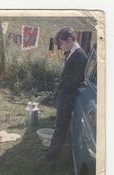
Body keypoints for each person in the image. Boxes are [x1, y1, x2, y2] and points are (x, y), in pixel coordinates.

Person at [42, 27, 87, 160]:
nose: (61, 47)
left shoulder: (79, 55)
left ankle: (52, 154)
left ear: (69, 40)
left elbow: (76, 80)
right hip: (65, 94)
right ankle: (52, 149)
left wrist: (61, 89)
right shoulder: (72, 52)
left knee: (61, 126)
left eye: (61, 43)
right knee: (58, 124)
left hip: (68, 96)